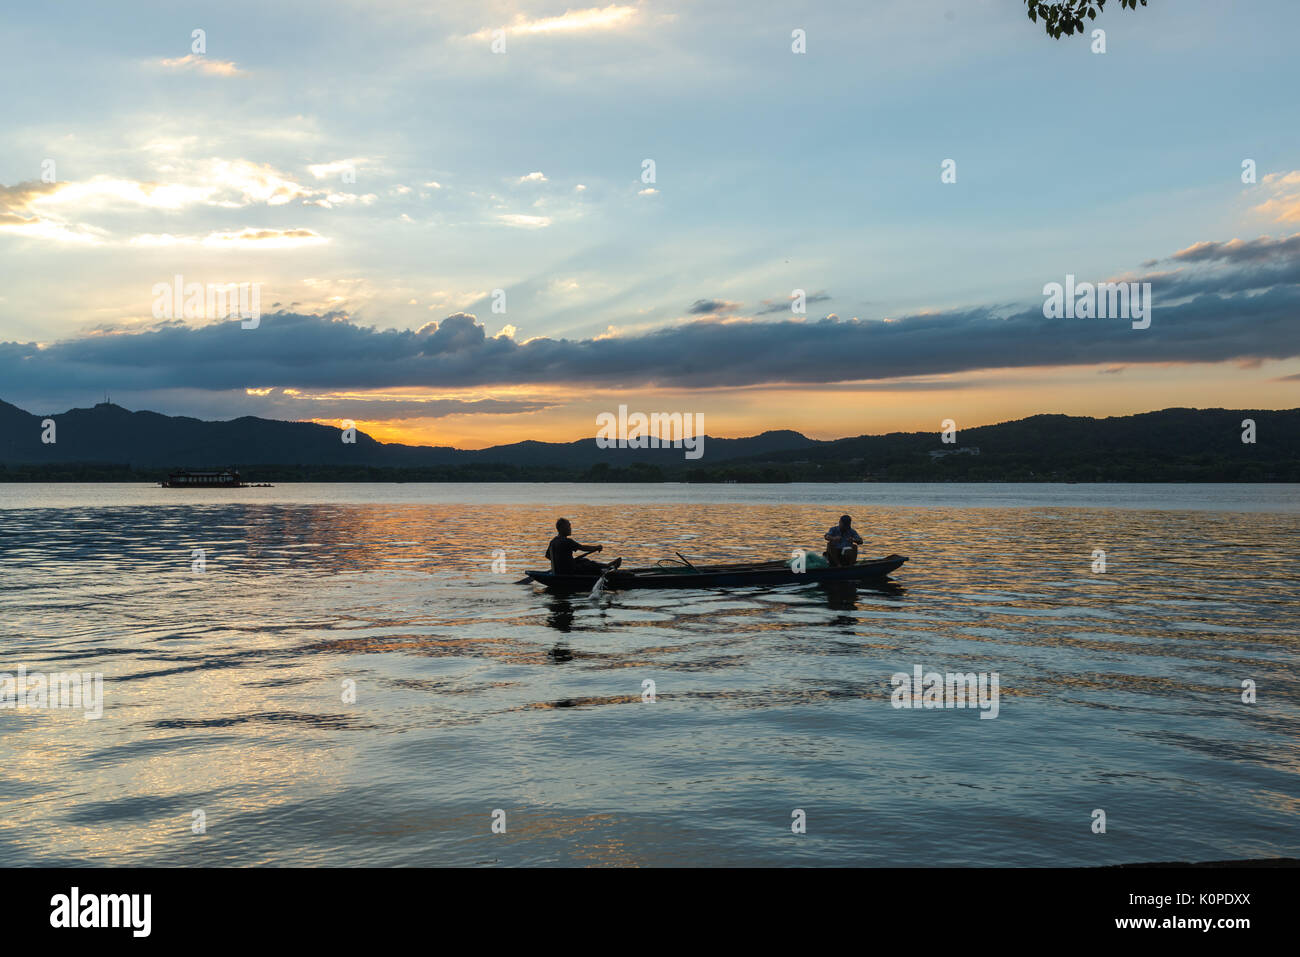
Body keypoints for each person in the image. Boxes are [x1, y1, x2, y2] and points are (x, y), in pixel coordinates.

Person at [546, 518, 622, 575]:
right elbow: (583, 548)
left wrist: (562, 562)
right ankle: (608, 566)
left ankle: (606, 567)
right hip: (569, 571)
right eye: (568, 526)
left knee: (583, 560)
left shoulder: (553, 541)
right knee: (589, 564)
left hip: (559, 570)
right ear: (562, 528)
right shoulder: (567, 541)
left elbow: (548, 556)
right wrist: (596, 547)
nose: (570, 528)